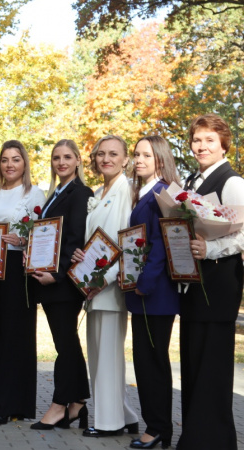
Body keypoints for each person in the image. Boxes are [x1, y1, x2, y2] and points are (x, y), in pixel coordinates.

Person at [178, 114, 243, 449]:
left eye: (209, 140)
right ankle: (195, 438)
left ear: (223, 144)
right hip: (193, 286)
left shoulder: (233, 182)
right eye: (197, 140)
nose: (201, 146)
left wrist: (211, 248)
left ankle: (214, 441)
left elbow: (242, 234)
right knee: (193, 366)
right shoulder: (191, 180)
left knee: (212, 369)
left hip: (218, 286)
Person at [70, 135, 139, 438]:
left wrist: (105, 279)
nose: (106, 159)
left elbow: (128, 240)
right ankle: (125, 414)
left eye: (113, 154)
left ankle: (111, 423)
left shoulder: (127, 190)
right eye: (100, 154)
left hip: (109, 284)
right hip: (92, 283)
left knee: (109, 354)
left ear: (126, 159)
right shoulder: (98, 191)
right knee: (97, 353)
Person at [0, 140, 44, 425]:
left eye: (15, 159)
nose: (9, 165)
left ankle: (11, 404)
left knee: (14, 336)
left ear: (24, 163)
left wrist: (23, 241)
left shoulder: (34, 194)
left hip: (18, 273)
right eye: (5, 160)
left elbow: (45, 235)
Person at [29, 139, 92, 430]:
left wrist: (57, 273)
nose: (61, 162)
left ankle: (58, 405)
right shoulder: (55, 194)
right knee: (66, 343)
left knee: (65, 345)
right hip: (48, 280)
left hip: (64, 283)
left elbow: (76, 239)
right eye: (56, 158)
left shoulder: (80, 193)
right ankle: (77, 403)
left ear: (78, 160)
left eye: (67, 157)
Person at [124, 136, 180, 449]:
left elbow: (162, 243)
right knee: (145, 360)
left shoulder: (162, 193)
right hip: (142, 290)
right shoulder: (143, 192)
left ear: (160, 158)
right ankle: (157, 426)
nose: (140, 159)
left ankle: (158, 427)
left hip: (155, 292)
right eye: (137, 154)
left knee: (153, 361)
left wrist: (144, 281)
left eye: (147, 154)